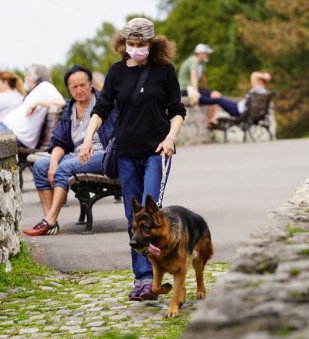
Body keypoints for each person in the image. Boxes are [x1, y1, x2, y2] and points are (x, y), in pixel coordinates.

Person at [78, 18, 186, 302]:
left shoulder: (164, 71)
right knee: (133, 217)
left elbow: (177, 110)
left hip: (156, 150)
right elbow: (101, 108)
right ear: (123, 43)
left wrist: (171, 138)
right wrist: (89, 138)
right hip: (126, 153)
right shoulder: (116, 72)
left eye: (141, 45)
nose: (135, 49)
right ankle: (143, 279)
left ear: (151, 45)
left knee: (151, 212)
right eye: (131, 44)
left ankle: (160, 269)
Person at [23, 65, 117, 236]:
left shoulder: (105, 104)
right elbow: (60, 141)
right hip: (76, 155)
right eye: (74, 86)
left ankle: (49, 220)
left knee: (64, 168)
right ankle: (51, 222)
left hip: (102, 154)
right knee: (40, 166)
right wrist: (52, 163)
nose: (79, 90)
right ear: (68, 88)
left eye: (83, 85)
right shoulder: (69, 109)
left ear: (91, 84)